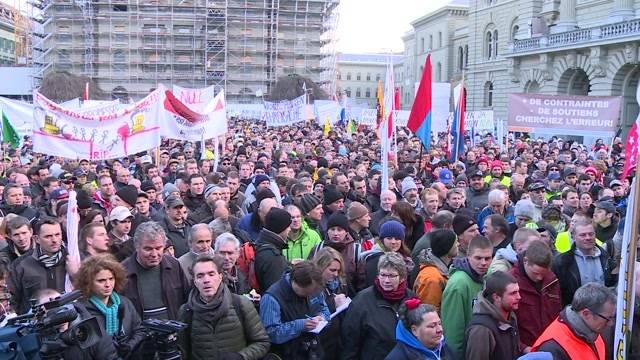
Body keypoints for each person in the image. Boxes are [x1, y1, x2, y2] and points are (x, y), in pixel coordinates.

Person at [178, 254, 270, 360]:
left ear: (220, 276)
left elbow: (262, 342)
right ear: (194, 281)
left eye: (211, 274)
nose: (206, 280)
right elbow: (182, 351)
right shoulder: (186, 311)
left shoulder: (240, 304)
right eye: (200, 276)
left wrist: (241, 356)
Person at [341, 252, 415, 360]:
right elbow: (349, 343)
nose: (386, 281)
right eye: (383, 275)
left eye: (391, 276)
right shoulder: (362, 302)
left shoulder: (411, 298)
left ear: (402, 277)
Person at [74, 254, 146, 359]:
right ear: (88, 283)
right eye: (101, 281)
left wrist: (130, 345)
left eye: (111, 279)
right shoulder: (81, 310)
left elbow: (140, 330)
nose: (108, 284)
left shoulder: (124, 303)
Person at [260, 260, 331, 359]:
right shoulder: (272, 298)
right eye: (308, 292)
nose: (311, 295)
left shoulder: (316, 287)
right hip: (287, 354)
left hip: (314, 351)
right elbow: (272, 333)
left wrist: (322, 317)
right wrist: (300, 325)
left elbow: (325, 311)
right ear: (296, 283)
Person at [121, 221, 191, 320]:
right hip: (140, 333)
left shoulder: (174, 265)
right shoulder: (123, 272)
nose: (154, 254)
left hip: (173, 330)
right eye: (148, 249)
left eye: (158, 248)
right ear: (137, 247)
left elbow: (186, 299)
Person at [8, 218, 79, 314]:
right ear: (37, 239)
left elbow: (90, 293)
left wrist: (76, 274)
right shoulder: (21, 265)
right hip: (36, 323)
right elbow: (13, 300)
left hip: (71, 321)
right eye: (48, 236)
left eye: (57, 235)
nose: (54, 240)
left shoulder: (74, 259)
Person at [532, 283, 615, 360]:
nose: (611, 323)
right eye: (607, 319)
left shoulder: (592, 330)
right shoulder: (552, 349)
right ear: (586, 314)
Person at [440, 235, 493, 358]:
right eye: (478, 258)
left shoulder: (485, 277)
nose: (483, 263)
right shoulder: (458, 284)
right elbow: (453, 332)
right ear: (468, 256)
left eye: (487, 258)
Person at [510, 240, 562, 347]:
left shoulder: (552, 281)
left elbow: (558, 315)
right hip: (524, 350)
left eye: (544, 274)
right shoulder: (510, 282)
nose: (539, 278)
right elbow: (505, 325)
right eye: (536, 273)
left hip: (550, 346)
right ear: (525, 261)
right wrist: (523, 348)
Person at [552, 219, 616, 306]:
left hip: (603, 312)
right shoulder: (562, 262)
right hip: (575, 311)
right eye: (582, 235)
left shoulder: (607, 258)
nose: (588, 238)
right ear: (573, 237)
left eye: (591, 234)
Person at [464, 271, 522, 360]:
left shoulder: (511, 317)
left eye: (518, 291)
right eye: (513, 293)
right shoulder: (481, 329)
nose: (519, 297)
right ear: (496, 297)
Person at [313, 247, 349, 360]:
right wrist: (333, 304)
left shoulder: (339, 284)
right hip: (319, 343)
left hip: (336, 341)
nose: (336, 274)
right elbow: (311, 313)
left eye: (338, 271)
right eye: (332, 270)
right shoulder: (311, 287)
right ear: (321, 267)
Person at [385, 300, 452, 360]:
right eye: (432, 326)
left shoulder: (444, 347)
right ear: (414, 330)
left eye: (440, 324)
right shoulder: (397, 357)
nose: (440, 330)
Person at [414, 229, 458, 312]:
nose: (458, 244)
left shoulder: (442, 270)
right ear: (447, 247)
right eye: (455, 242)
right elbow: (430, 312)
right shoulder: (432, 279)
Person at [254, 207, 292, 293]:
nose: (290, 229)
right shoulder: (273, 257)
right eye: (288, 227)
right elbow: (276, 292)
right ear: (281, 228)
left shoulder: (260, 243)